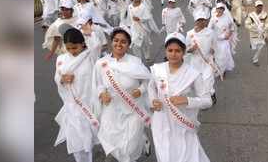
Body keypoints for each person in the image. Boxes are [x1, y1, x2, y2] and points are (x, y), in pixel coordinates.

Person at [148, 32, 213, 162]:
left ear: (184, 51)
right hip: (161, 121)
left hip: (183, 122)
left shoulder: (193, 74)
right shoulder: (157, 69)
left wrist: (187, 100)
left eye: (177, 50)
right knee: (165, 154)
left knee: (187, 156)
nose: (173, 54)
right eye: (170, 50)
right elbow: (151, 88)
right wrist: (153, 100)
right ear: (165, 51)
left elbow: (207, 101)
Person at [92, 28, 152, 162]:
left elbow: (148, 81)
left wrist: (140, 90)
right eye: (116, 40)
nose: (119, 44)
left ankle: (140, 142)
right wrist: (102, 93)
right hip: (111, 109)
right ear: (111, 42)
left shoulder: (135, 62)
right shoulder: (101, 64)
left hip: (133, 110)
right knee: (112, 142)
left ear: (128, 45)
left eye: (123, 42)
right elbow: (98, 84)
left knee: (130, 148)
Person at [53, 28, 99, 162]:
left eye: (75, 47)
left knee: (88, 140)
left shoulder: (90, 56)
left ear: (82, 44)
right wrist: (62, 80)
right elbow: (57, 77)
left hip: (88, 104)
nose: (72, 51)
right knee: (75, 141)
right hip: (71, 106)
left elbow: (96, 44)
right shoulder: (61, 59)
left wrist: (91, 32)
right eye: (68, 48)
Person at [186, 10, 218, 103]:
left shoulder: (211, 32)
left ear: (206, 21)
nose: (201, 22)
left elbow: (214, 45)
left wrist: (213, 50)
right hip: (195, 62)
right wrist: (192, 49)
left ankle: (211, 94)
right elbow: (186, 49)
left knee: (208, 80)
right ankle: (203, 98)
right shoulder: (190, 34)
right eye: (199, 20)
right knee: (198, 82)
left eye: (203, 20)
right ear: (195, 21)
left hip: (208, 61)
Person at [208, 3, 236, 79]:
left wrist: (229, 34)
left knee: (223, 56)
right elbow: (209, 30)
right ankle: (218, 69)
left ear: (224, 10)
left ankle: (223, 71)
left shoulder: (227, 18)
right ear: (216, 9)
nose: (220, 10)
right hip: (216, 41)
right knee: (217, 57)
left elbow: (232, 27)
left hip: (224, 41)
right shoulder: (213, 19)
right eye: (219, 8)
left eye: (222, 8)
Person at [245, 0, 268, 66]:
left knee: (260, 47)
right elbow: (247, 24)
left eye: (261, 6)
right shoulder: (251, 15)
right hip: (253, 34)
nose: (259, 8)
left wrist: (266, 27)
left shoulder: (265, 14)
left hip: (261, 34)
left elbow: (267, 23)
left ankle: (255, 59)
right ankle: (252, 44)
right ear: (255, 7)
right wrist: (253, 28)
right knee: (254, 47)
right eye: (258, 6)